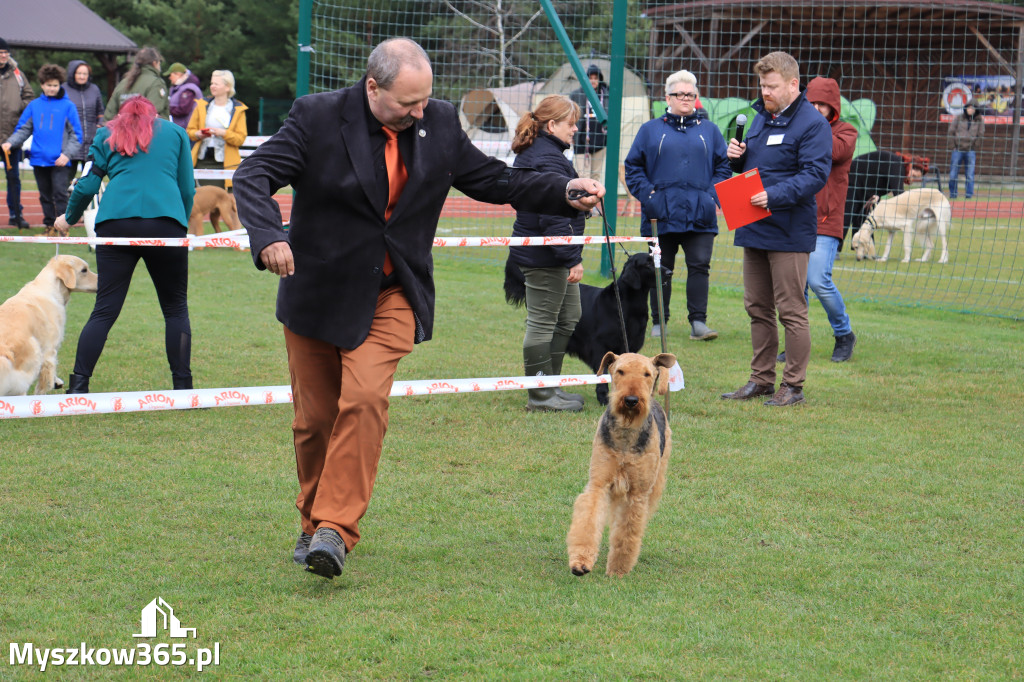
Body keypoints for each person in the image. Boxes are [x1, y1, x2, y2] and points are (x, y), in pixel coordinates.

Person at [232, 38, 603, 580]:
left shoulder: (441, 122)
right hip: (317, 292)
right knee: (314, 422)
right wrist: (267, 234)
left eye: (425, 99)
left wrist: (562, 189)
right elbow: (253, 176)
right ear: (373, 86)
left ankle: (335, 529)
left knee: (362, 399)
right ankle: (312, 519)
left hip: (393, 291)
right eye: (407, 103)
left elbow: (495, 180)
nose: (419, 111)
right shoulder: (317, 117)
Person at [54, 96, 195, 394]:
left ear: (121, 113)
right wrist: (178, 224)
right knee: (175, 309)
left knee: (104, 309)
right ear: (154, 114)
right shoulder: (176, 133)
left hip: (115, 223)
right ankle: (184, 389)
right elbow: (186, 188)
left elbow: (88, 184)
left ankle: (78, 386)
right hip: (165, 222)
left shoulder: (105, 133)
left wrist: (69, 218)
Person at [722, 51, 832, 407]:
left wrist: (774, 196)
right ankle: (761, 380)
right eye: (762, 85)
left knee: (791, 310)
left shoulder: (812, 124)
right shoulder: (759, 119)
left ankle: (794, 386)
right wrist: (736, 157)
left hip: (788, 228)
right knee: (756, 305)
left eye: (771, 86)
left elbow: (815, 175)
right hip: (754, 226)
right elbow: (753, 167)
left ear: (793, 84)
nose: (765, 91)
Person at [624, 69, 730, 342]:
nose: (686, 98)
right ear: (667, 97)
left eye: (691, 94)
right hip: (660, 215)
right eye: (680, 94)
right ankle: (660, 322)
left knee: (699, 266)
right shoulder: (650, 130)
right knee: (660, 268)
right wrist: (650, 197)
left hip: (701, 214)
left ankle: (698, 322)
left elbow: (723, 166)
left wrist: (710, 197)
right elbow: (633, 167)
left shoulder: (710, 131)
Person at [509, 94, 587, 412]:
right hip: (545, 257)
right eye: (571, 124)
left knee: (569, 317)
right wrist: (572, 258)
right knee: (542, 323)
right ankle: (540, 395)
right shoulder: (548, 158)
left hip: (551, 254)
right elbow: (552, 216)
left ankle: (549, 387)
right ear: (552, 125)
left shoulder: (548, 153)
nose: (575, 129)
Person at [2, 64, 83, 230]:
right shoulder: (34, 105)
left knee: (60, 195)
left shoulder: (68, 106)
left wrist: (67, 155)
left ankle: (62, 227)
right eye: (48, 85)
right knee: (45, 196)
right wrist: (11, 142)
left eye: (55, 85)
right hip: (39, 159)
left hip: (60, 160)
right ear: (42, 85)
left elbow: (77, 135)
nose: (52, 88)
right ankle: (48, 225)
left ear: (59, 85)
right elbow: (24, 129)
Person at [187, 70, 247, 190]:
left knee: (224, 203)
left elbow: (240, 139)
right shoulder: (201, 106)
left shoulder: (238, 109)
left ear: (227, 87)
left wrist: (223, 133)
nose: (212, 86)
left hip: (226, 163)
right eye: (211, 83)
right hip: (202, 160)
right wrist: (199, 134)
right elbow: (189, 131)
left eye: (216, 84)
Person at [0, 38, 34, 229]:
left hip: (11, 138)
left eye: (6, 52)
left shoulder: (17, 74)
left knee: (13, 178)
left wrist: (17, 107)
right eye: (0, 52)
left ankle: (16, 214)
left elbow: (29, 97)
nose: (3, 56)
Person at [64, 59, 105, 177]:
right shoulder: (64, 89)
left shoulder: (94, 89)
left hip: (90, 142)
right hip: (70, 143)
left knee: (88, 178)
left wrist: (99, 126)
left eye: (85, 74)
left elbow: (101, 112)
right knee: (66, 180)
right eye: (79, 73)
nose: (82, 76)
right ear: (72, 74)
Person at [105, 47, 169, 120]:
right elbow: (152, 112)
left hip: (121, 130)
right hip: (150, 130)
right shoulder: (156, 83)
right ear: (155, 63)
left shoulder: (123, 83)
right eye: (159, 63)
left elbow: (109, 115)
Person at [569, 64, 608, 183]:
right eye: (590, 78)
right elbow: (571, 116)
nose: (593, 81)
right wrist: (572, 135)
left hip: (600, 140)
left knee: (595, 175)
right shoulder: (576, 94)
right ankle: (583, 200)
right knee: (582, 175)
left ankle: (593, 201)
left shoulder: (607, 94)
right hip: (581, 139)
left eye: (596, 78)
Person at [948, 99, 984, 200]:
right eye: (969, 107)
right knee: (953, 174)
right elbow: (951, 131)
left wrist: (975, 146)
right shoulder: (959, 118)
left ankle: (969, 195)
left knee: (970, 175)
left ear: (976, 110)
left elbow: (981, 134)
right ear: (966, 108)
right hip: (958, 149)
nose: (970, 109)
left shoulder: (979, 120)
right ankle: (953, 194)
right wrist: (953, 146)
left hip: (970, 150)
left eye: (973, 108)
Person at [165, 62, 202, 129]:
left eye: (170, 75)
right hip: (181, 127)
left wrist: (165, 109)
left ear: (178, 74)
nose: (169, 78)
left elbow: (183, 110)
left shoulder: (188, 90)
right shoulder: (179, 88)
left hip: (187, 129)